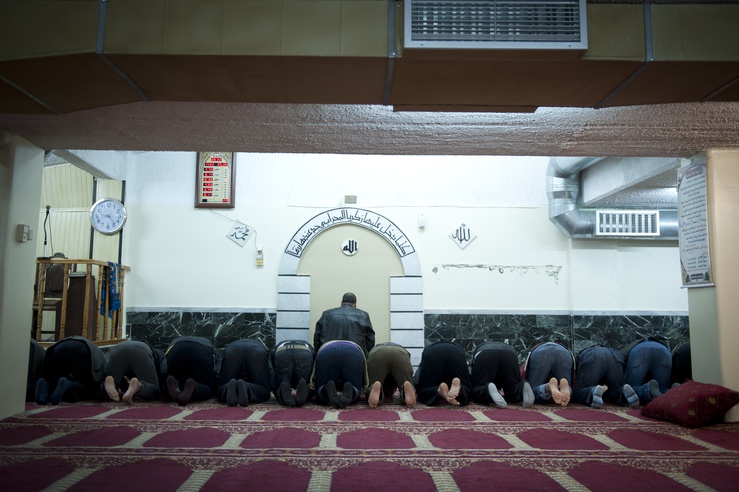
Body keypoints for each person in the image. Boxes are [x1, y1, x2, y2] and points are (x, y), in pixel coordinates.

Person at [311, 292, 375, 409]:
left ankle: (326, 388)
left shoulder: (326, 314)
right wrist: (364, 358)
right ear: (355, 305)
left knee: (319, 393)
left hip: (328, 350)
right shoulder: (364, 315)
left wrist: (318, 355)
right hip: (354, 352)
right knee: (356, 390)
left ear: (341, 303)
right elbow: (370, 342)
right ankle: (351, 388)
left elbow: (317, 338)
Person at [34, 335, 105, 405]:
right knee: (85, 385)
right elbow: (96, 377)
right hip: (80, 350)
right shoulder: (98, 352)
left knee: (53, 379)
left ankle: (45, 386)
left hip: (57, 347)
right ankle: (68, 384)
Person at [572, 344, 640, 409]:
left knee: (578, 391)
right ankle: (623, 391)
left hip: (591, 355)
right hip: (615, 355)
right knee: (615, 390)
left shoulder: (585, 351)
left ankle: (593, 390)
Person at [471, 341, 534, 408]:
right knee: (512, 388)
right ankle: (522, 387)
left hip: (485, 353)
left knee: (479, 387)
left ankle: (487, 389)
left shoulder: (479, 348)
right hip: (510, 353)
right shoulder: (505, 346)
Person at [161, 336, 221, 406]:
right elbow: (217, 370)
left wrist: (163, 378)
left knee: (176, 379)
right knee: (206, 387)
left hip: (175, 347)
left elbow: (163, 367)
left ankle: (168, 389)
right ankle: (195, 387)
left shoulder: (176, 340)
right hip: (202, 349)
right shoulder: (210, 345)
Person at [103, 340, 166, 404]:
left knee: (111, 382)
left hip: (117, 349)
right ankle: (139, 386)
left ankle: (107, 385)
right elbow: (163, 373)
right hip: (142, 351)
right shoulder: (160, 355)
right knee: (154, 391)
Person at [414, 341, 472, 406]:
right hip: (457, 352)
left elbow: (417, 379)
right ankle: (461, 389)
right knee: (466, 385)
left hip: (433, 352)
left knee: (424, 389)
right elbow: (469, 377)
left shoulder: (429, 349)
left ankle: (438, 390)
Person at [216, 339, 272, 407]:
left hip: (232, 349)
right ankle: (246, 387)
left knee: (222, 387)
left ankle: (228, 388)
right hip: (257, 350)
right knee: (264, 390)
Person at [621, 336, 672, 405]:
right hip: (663, 350)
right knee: (661, 389)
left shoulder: (631, 346)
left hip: (640, 350)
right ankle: (673, 391)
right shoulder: (662, 344)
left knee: (630, 390)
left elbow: (620, 360)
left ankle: (647, 390)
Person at [521, 342, 574, 406]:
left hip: (540, 351)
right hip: (564, 352)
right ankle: (567, 388)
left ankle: (547, 387)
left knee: (531, 392)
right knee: (565, 383)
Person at [366, 342, 416, 408]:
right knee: (406, 381)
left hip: (377, 352)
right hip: (400, 352)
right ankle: (404, 388)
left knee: (372, 384)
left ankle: (374, 387)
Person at [271, 339, 315, 407]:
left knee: (281, 381)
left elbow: (272, 367)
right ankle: (303, 385)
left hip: (281, 352)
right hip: (304, 351)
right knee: (308, 384)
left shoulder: (280, 344)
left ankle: (283, 386)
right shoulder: (306, 344)